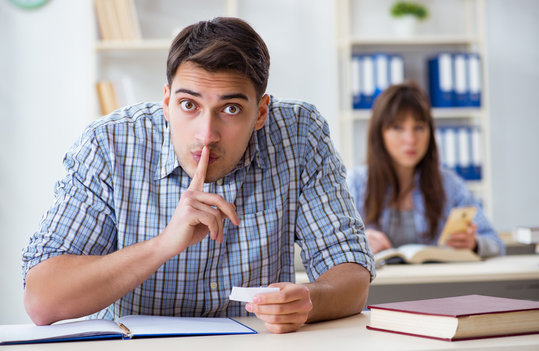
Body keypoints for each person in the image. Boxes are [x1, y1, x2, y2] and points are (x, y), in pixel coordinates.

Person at [22, 17, 374, 334]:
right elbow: (42, 301)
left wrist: (309, 300)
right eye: (189, 105)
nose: (207, 134)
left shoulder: (299, 134)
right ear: (166, 101)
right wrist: (163, 244)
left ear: (261, 112)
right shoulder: (109, 144)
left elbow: (350, 274)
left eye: (231, 109)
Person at [347, 81, 504, 257]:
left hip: (437, 283)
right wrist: (356, 243)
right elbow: (325, 250)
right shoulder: (355, 183)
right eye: (398, 127)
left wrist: (474, 244)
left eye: (419, 127)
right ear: (379, 133)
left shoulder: (449, 185)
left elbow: (496, 244)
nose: (411, 139)